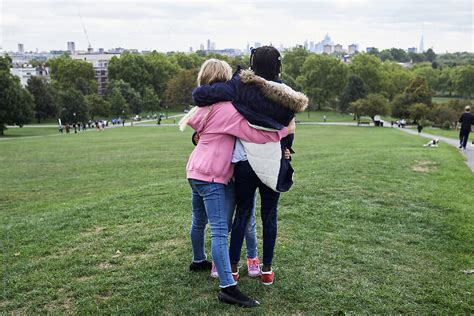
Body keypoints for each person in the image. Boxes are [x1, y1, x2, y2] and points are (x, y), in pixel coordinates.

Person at [192, 46, 308, 285]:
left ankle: (233, 268)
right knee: (269, 216)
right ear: (278, 65)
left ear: (253, 64)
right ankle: (266, 270)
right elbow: (288, 129)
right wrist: (287, 147)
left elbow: (202, 95)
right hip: (273, 160)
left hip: (244, 161)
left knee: (242, 214)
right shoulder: (286, 94)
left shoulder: (240, 87)